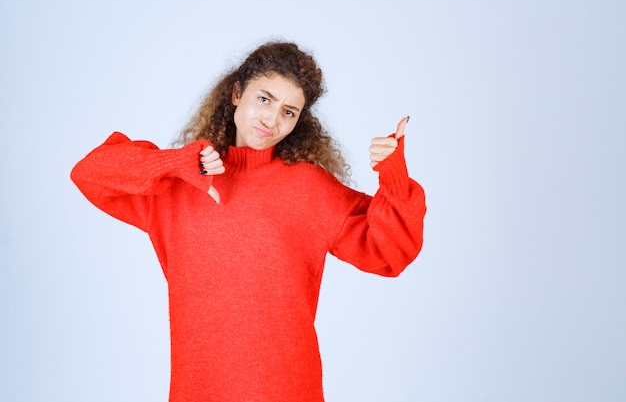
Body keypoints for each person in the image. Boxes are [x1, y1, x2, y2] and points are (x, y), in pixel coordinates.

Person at [71, 41, 427, 402]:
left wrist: (393, 175)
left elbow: (389, 251)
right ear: (237, 93)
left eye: (289, 112)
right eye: (265, 99)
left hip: (288, 388)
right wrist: (174, 164)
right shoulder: (178, 186)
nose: (272, 120)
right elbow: (90, 173)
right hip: (199, 389)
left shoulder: (308, 188)